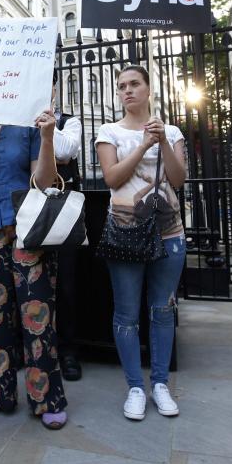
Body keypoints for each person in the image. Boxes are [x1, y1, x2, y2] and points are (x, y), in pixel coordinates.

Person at [0, 98, 69, 430]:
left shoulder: (28, 121)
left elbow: (45, 182)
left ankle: (47, 397)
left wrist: (47, 137)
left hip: (27, 230)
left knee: (38, 315)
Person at [95, 66, 186, 421]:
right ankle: (135, 385)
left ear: (149, 89)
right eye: (121, 87)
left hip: (169, 232)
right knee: (126, 313)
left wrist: (162, 140)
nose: (127, 91)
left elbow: (178, 180)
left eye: (134, 84)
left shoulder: (172, 131)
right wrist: (143, 146)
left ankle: (160, 383)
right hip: (125, 231)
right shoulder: (109, 132)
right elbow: (113, 177)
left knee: (162, 310)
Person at [51, 70, 84, 381]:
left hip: (64, 208)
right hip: (29, 207)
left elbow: (65, 151)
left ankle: (69, 350)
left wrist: (44, 126)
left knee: (67, 284)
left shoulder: (70, 120)